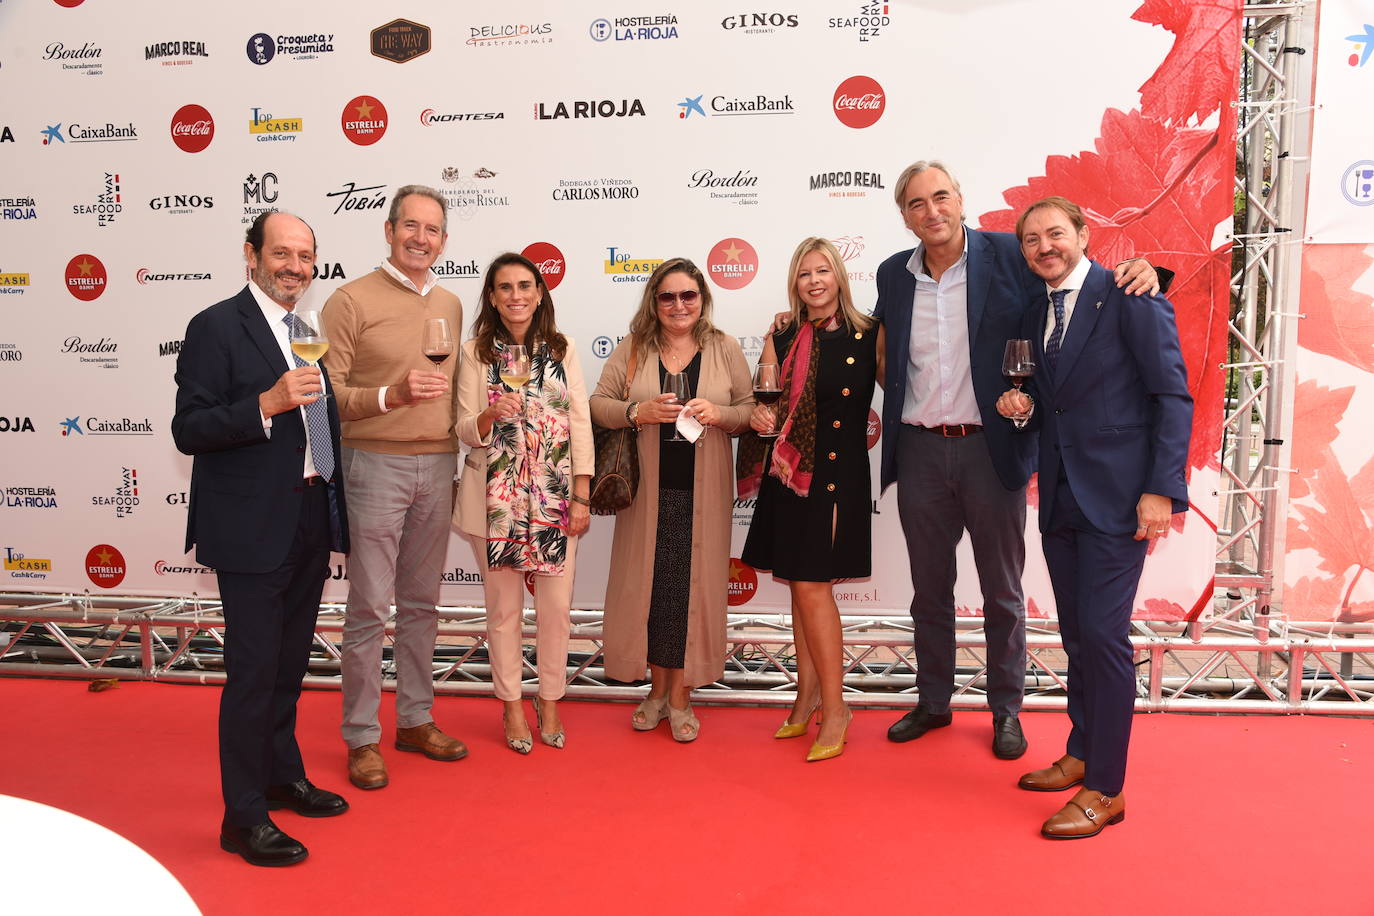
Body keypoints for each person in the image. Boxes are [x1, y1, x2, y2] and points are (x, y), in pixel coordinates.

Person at [872, 161, 1164, 760]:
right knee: (930, 590)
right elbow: (874, 339)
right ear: (904, 216)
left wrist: (1149, 270)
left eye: (942, 197)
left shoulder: (1010, 254)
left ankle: (1007, 709)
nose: (933, 212)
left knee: (1002, 590)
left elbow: (1080, 288)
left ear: (960, 200)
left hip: (993, 446)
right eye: (918, 204)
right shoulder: (891, 276)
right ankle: (933, 701)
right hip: (921, 445)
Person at [995, 196, 1190, 838]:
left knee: (1105, 639)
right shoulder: (1034, 308)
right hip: (1059, 496)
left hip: (1120, 497)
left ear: (1083, 234)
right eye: (1031, 240)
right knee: (1078, 635)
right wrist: (1021, 407)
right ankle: (1081, 753)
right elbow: (1058, 403)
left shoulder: (1131, 292)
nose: (1044, 247)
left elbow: (1171, 395)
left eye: (1055, 234)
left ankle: (1107, 787)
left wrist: (1160, 490)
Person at [173, 211, 350, 867]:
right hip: (250, 527)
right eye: (282, 253)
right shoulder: (215, 325)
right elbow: (189, 427)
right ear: (251, 255)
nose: (295, 267)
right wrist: (264, 405)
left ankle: (281, 775)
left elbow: (321, 422)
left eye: (306, 256)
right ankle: (242, 817)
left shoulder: (305, 328)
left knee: (289, 665)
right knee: (252, 673)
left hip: (308, 514)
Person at [321, 185, 466, 790]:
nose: (420, 238)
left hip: (438, 466)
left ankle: (414, 719)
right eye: (411, 225)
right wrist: (393, 396)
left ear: (444, 240)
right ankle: (361, 737)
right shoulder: (348, 299)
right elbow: (328, 400)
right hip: (372, 465)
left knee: (422, 606)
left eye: (432, 230)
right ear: (388, 229)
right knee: (368, 609)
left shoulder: (454, 304)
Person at [590, 258, 753, 742]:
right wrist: (637, 411)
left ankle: (681, 696)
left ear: (702, 299)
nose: (678, 305)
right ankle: (656, 692)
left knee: (690, 594)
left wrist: (719, 413)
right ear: (654, 302)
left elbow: (749, 412)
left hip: (703, 493)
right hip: (647, 497)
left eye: (688, 296)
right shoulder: (634, 348)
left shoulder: (723, 348)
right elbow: (598, 404)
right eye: (668, 296)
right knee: (655, 593)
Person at [740, 237, 883, 762]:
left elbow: (904, 384)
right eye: (804, 274)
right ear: (795, 284)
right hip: (789, 475)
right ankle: (806, 696)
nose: (815, 281)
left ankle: (838, 707)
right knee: (801, 590)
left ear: (840, 276)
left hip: (836, 475)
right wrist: (759, 416)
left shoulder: (869, 333)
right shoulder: (783, 333)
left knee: (812, 588)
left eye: (823, 270)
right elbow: (765, 400)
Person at [453, 253, 593, 753]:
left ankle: (549, 699)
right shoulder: (475, 352)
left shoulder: (563, 348)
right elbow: (462, 428)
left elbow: (580, 423)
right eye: (505, 287)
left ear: (539, 293)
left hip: (555, 499)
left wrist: (581, 494)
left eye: (525, 286)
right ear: (492, 296)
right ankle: (512, 703)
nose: (516, 295)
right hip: (495, 502)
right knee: (504, 612)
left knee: (555, 612)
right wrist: (489, 414)